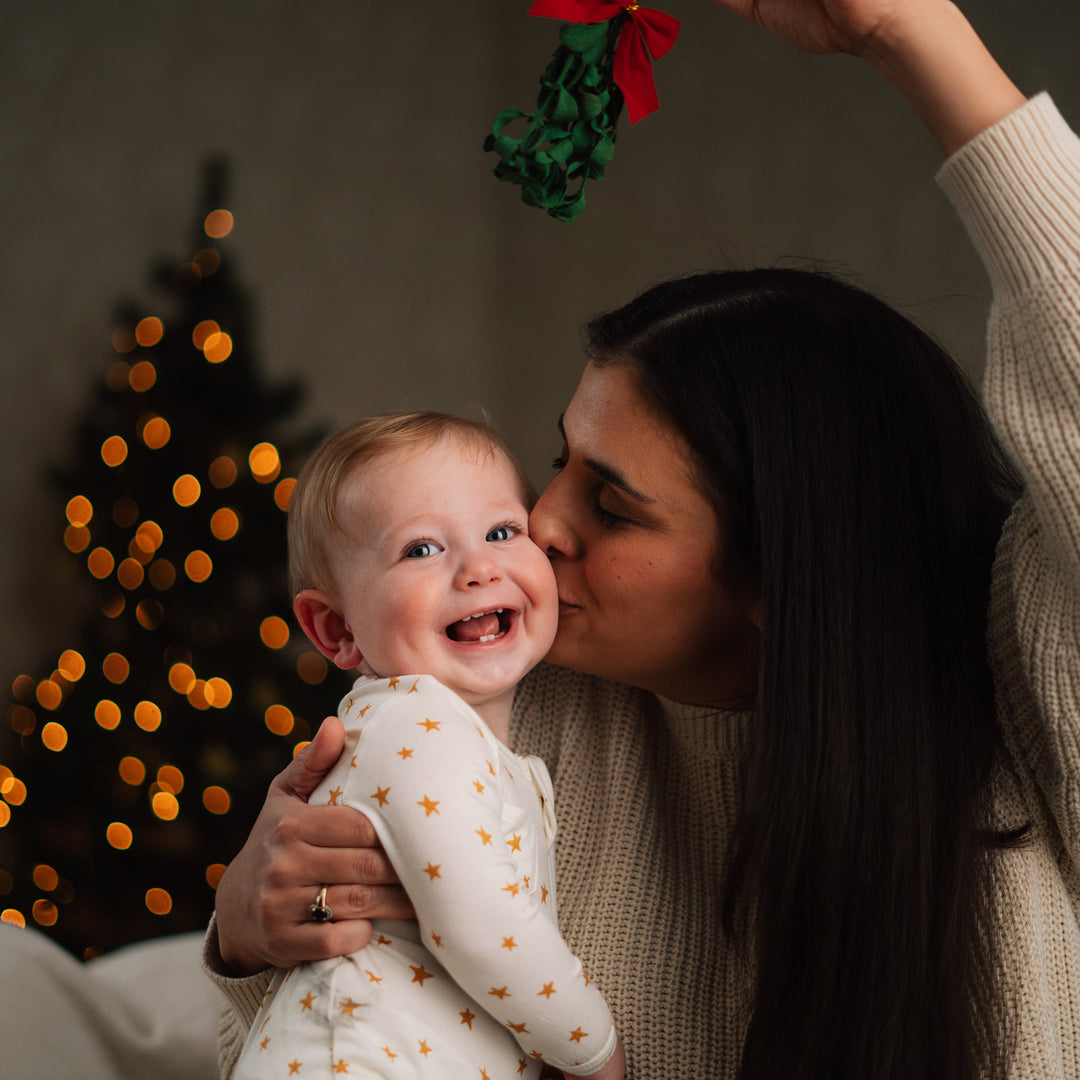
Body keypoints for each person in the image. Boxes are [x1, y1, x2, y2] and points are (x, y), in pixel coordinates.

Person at [204, 1, 1080, 1077]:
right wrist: (246, 936)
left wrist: (910, 32)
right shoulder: (508, 702)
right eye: (557, 461)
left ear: (785, 575)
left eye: (612, 506)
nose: (539, 525)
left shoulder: (1024, 684)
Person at [230, 413, 622, 1080]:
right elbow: (479, 925)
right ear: (337, 629)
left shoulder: (457, 734)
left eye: (502, 532)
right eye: (421, 549)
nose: (478, 568)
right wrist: (594, 1050)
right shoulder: (417, 727)